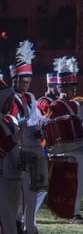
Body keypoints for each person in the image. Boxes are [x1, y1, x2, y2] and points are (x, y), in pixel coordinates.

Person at [45, 56, 83, 224]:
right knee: (70, 183)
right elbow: (50, 127)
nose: (74, 90)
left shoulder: (77, 105)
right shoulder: (55, 106)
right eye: (72, 87)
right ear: (63, 87)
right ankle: (72, 214)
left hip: (78, 147)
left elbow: (82, 125)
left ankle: (75, 212)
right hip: (65, 150)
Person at [9, 40, 48, 234]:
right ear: (14, 80)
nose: (26, 85)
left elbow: (37, 119)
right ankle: (21, 224)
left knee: (34, 192)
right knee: (20, 194)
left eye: (28, 82)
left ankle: (28, 225)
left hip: (32, 150)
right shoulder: (9, 98)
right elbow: (12, 122)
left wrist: (43, 126)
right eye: (23, 82)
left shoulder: (32, 98)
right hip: (18, 152)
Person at [0, 76, 22, 234]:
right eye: (7, 100)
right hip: (1, 178)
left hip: (12, 177)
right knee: (6, 222)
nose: (10, 104)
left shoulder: (8, 121)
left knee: (11, 219)